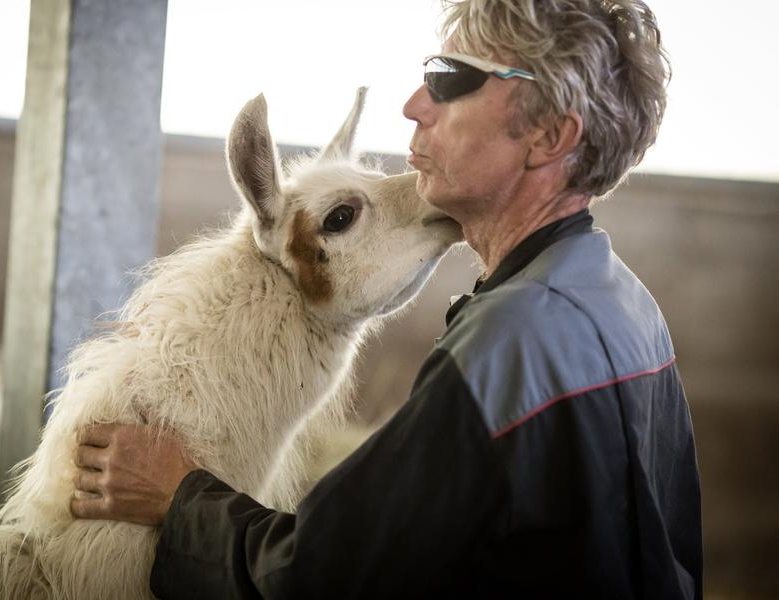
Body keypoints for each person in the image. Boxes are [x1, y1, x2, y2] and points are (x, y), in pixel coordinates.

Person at [71, 0, 702, 597]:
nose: (413, 105)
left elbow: (330, 577)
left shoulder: (511, 344)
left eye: (453, 80)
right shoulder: (625, 306)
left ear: (547, 136)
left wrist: (180, 497)